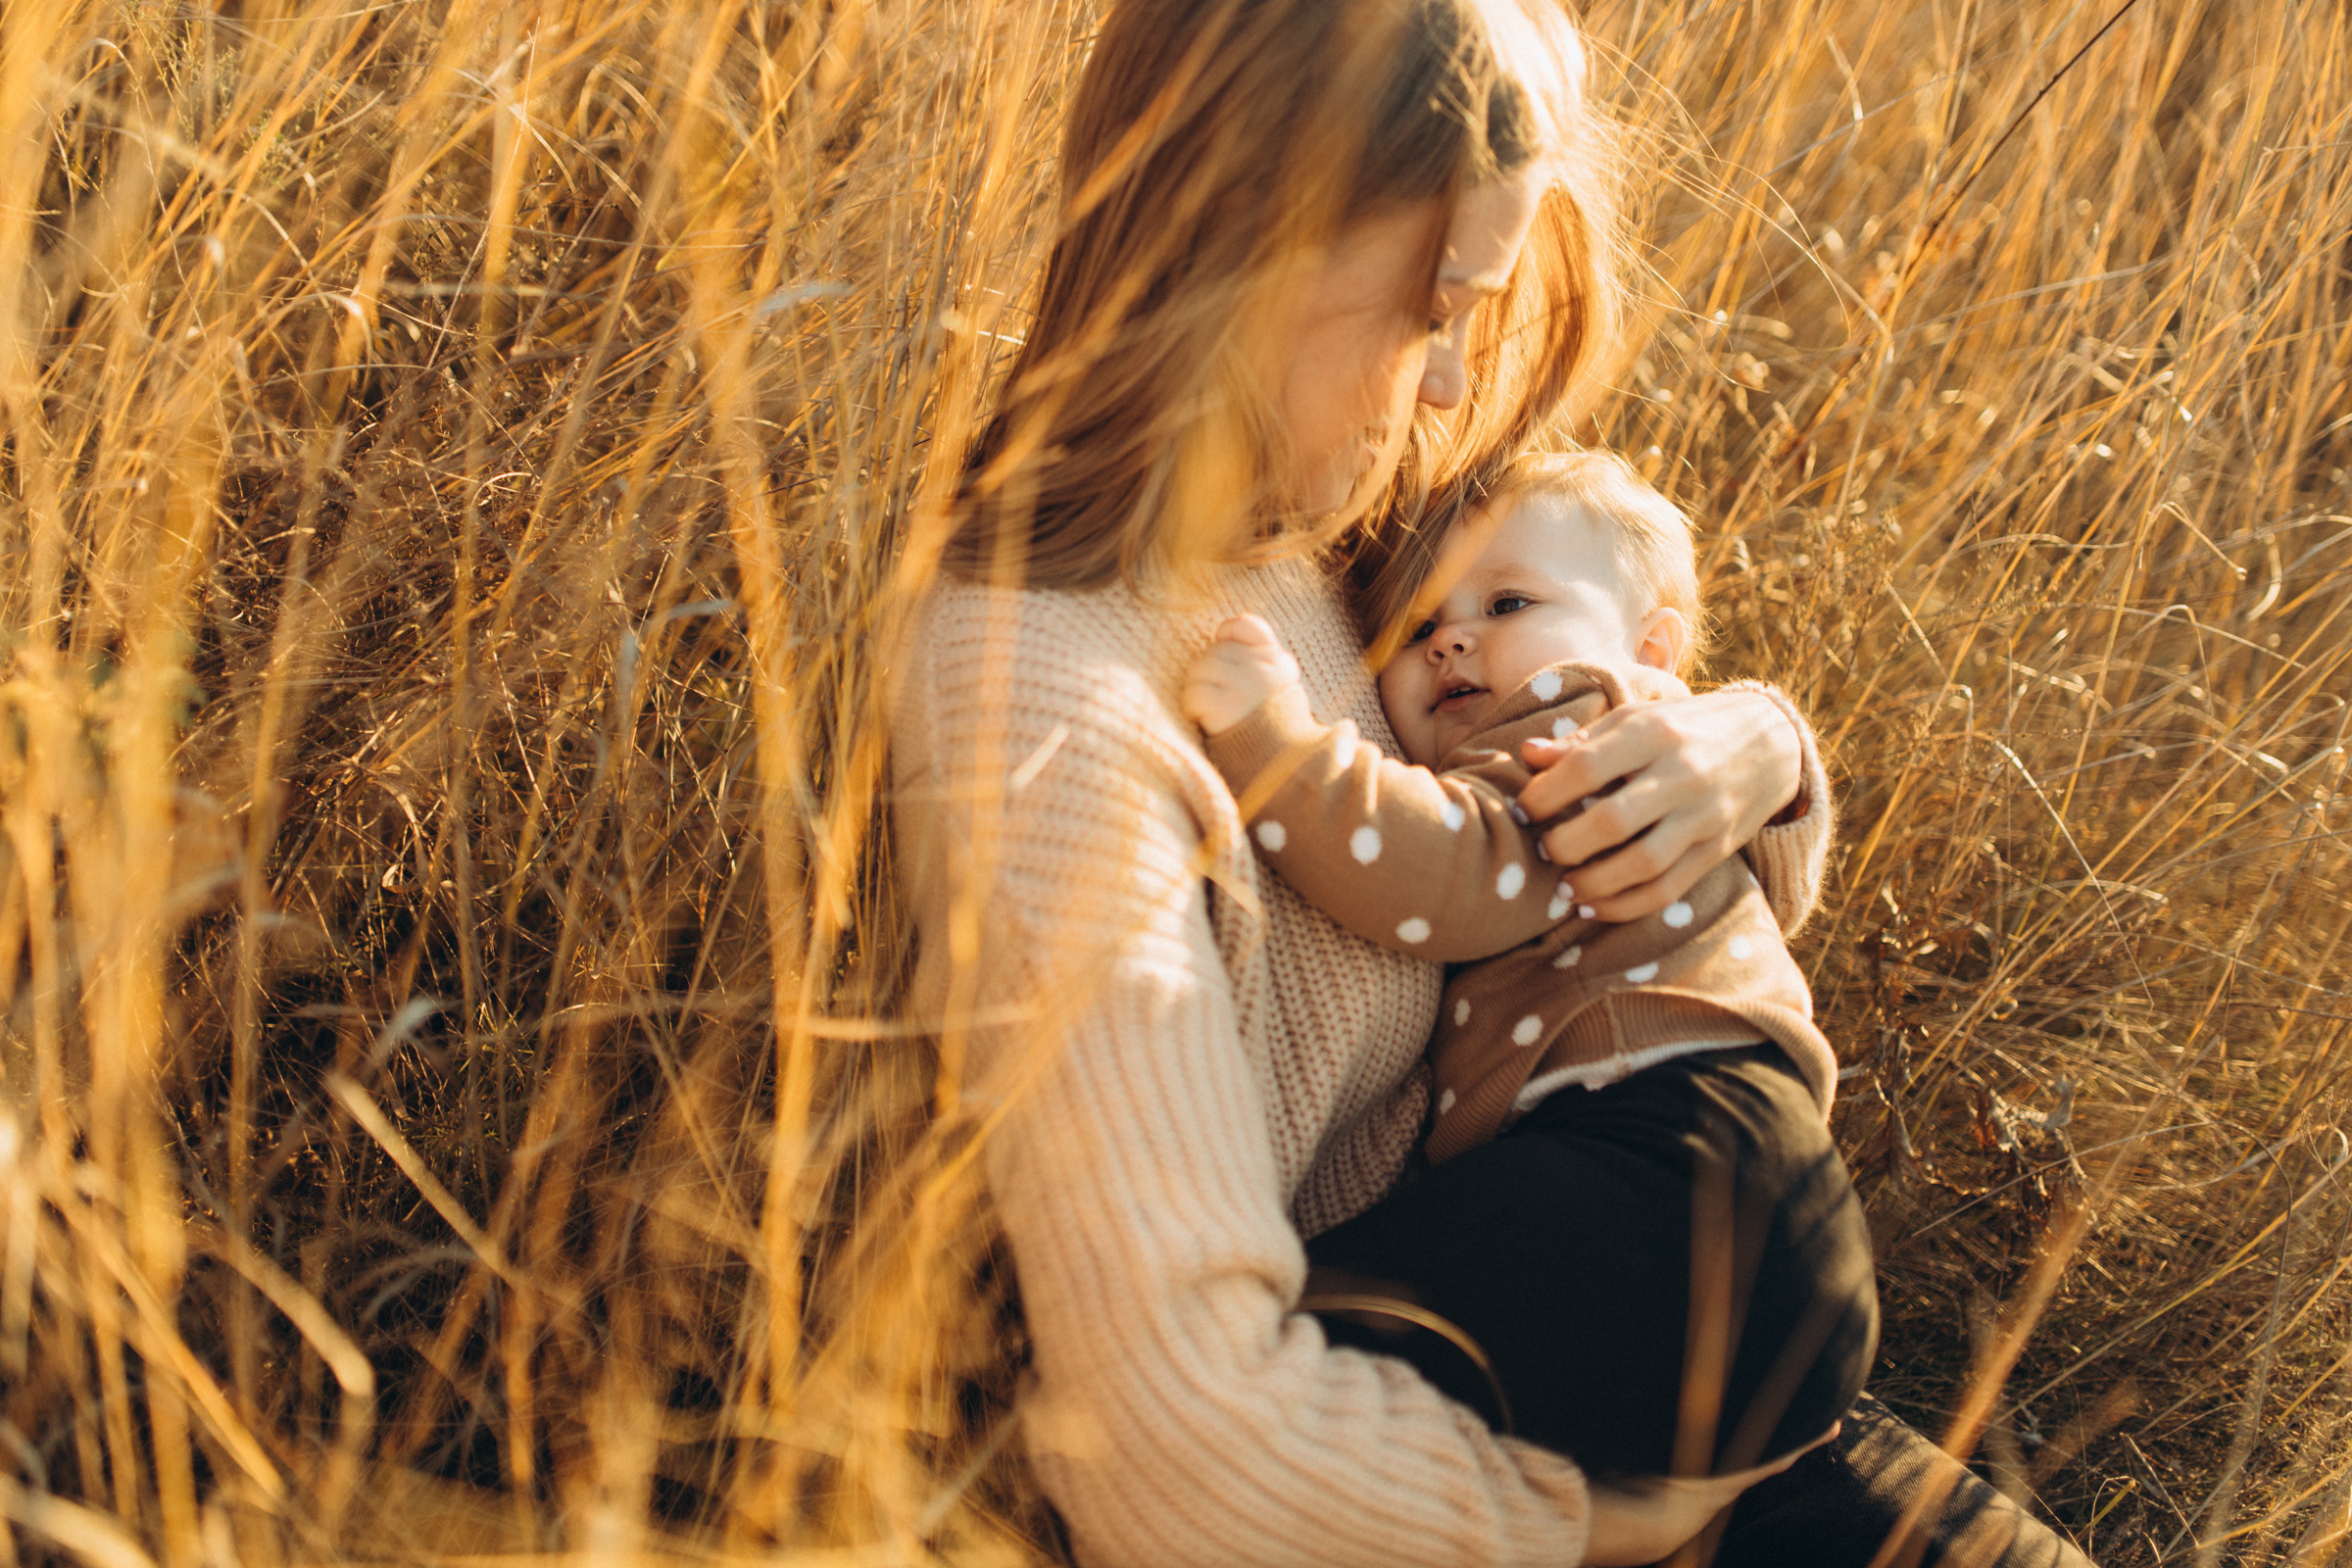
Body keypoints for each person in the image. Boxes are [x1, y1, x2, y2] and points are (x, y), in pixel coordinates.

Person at [887, 0, 2095, 1562]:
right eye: (1432, 303)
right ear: (1249, 235)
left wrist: (1751, 753)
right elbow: (1184, 1460)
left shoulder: (1343, 530)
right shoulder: (1044, 697)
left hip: (1668, 1360)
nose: (1455, 381)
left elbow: (1600, 683)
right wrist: (1636, 1515)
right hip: (1470, 1484)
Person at [1177, 449, 1877, 1483]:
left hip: (1675, 1166)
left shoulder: (1584, 718)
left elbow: (1447, 873)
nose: (1452, 636)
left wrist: (1277, 747)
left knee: (1290, 1343)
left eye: (1507, 600)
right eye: (1416, 629)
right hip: (1767, 1232)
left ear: (1652, 648)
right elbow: (1786, 868)